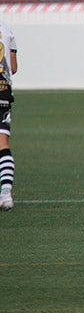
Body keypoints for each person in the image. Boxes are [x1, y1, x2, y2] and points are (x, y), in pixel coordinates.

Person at [0, 20, 17, 211]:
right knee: (3, 144)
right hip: (3, 91)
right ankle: (6, 193)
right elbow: (13, 67)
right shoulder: (6, 29)